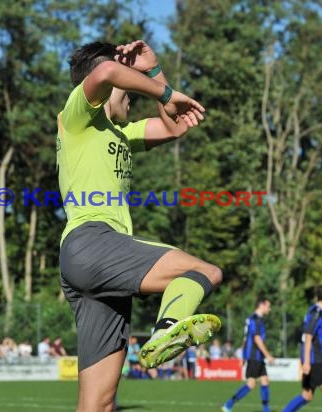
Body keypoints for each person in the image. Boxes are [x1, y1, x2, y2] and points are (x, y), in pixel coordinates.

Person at [57, 39, 222, 411]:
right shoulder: (78, 116)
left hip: (90, 266)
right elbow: (104, 71)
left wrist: (153, 70)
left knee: (97, 405)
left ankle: (163, 334)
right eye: (128, 82)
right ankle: (165, 333)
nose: (132, 91)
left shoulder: (123, 133)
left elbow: (176, 127)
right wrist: (165, 90)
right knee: (205, 271)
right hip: (92, 242)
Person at [283, 285, 322, 412]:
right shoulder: (316, 313)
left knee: (307, 395)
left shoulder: (319, 313)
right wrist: (306, 361)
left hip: (314, 358)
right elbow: (308, 336)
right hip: (314, 359)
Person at [222, 297, 275, 412]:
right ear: (261, 305)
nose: (269, 309)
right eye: (268, 306)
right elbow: (257, 339)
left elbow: (246, 338)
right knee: (251, 384)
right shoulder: (256, 319)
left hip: (256, 356)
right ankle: (228, 404)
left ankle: (266, 409)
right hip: (254, 355)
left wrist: (243, 355)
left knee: (265, 380)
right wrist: (268, 355)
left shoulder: (255, 319)